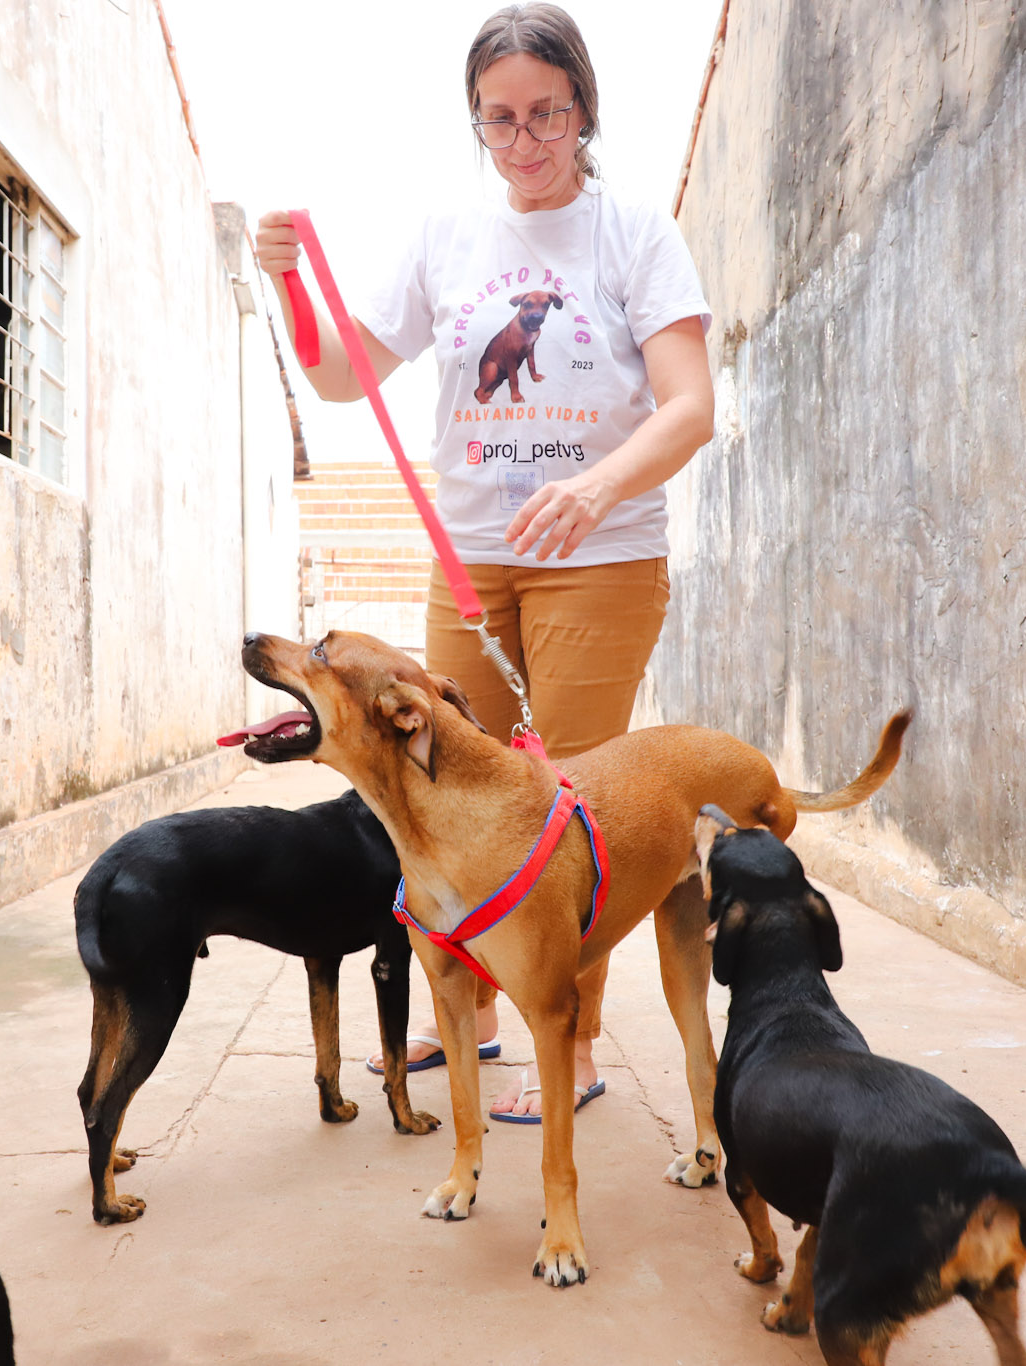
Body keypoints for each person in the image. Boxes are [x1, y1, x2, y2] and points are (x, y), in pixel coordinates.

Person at [254, 3, 713, 1121]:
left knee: (568, 800)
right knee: (445, 782)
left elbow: (690, 406)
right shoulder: (445, 236)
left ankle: (578, 1030)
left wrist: (596, 483)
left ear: (583, 109)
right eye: (497, 120)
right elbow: (338, 375)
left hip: (596, 556)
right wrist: (287, 282)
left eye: (545, 115)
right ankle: (471, 1015)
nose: (522, 142)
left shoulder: (634, 235)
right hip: (468, 557)